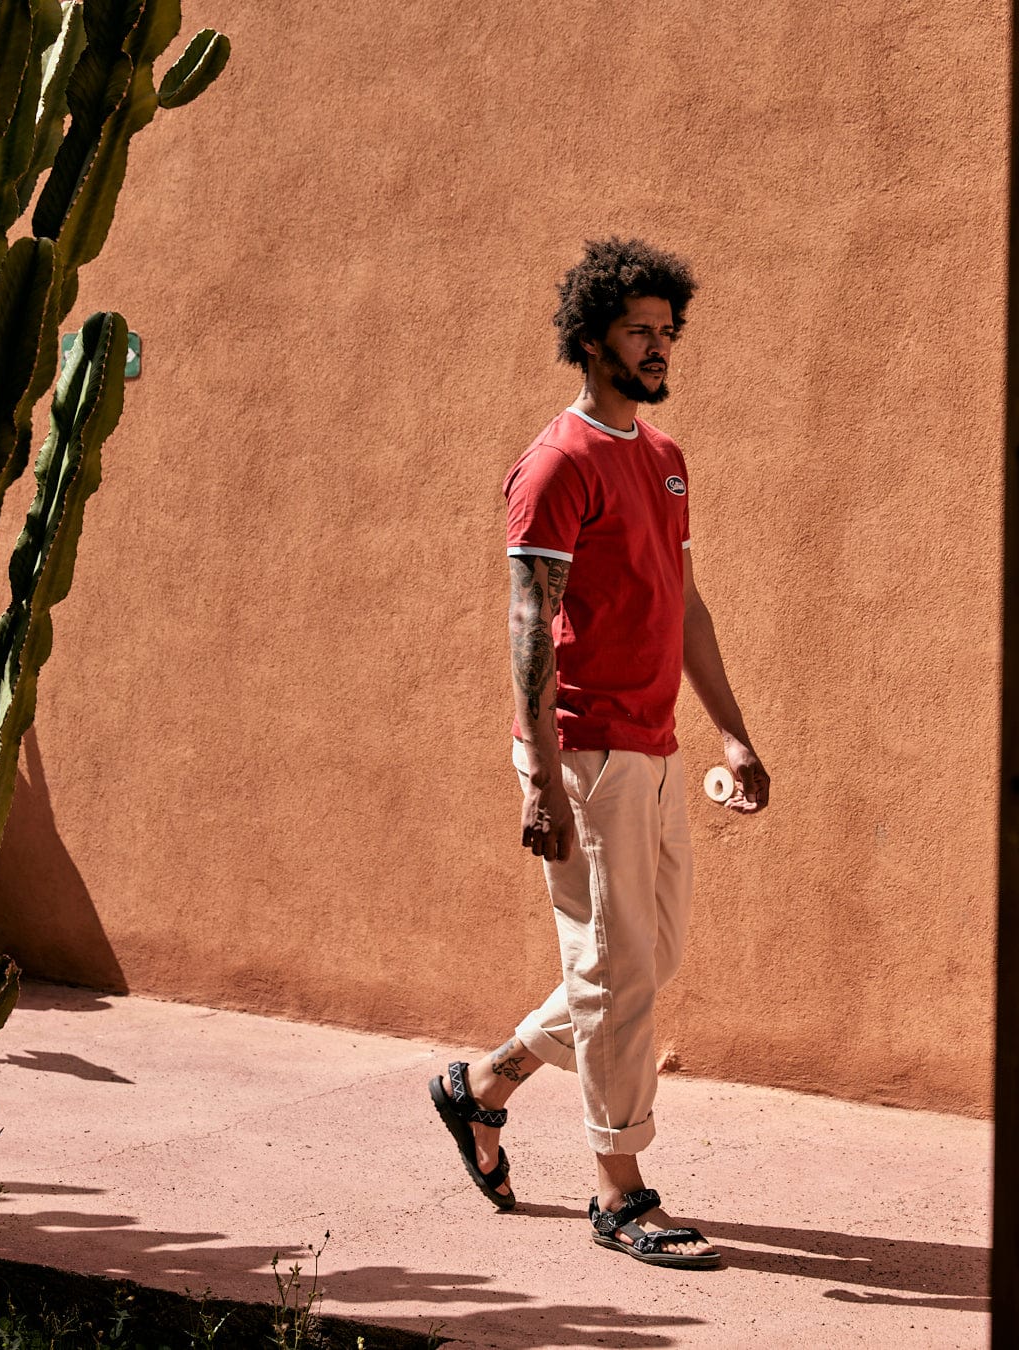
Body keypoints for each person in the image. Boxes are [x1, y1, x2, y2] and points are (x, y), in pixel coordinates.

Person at [429, 237, 769, 1268]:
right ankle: (622, 1192)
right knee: (621, 977)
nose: (661, 348)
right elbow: (530, 625)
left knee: (645, 962)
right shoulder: (556, 465)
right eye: (641, 331)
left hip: (658, 746)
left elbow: (686, 605)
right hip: (586, 753)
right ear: (590, 341)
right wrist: (539, 778)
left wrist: (733, 728)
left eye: (669, 332)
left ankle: (481, 1086)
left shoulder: (662, 459)